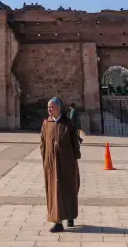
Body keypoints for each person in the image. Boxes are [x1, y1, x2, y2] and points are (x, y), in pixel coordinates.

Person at [40, 96, 81, 233]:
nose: (49, 109)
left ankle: (70, 215)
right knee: (53, 192)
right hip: (51, 165)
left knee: (69, 190)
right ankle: (57, 222)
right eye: (48, 107)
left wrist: (75, 158)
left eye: (51, 107)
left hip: (67, 164)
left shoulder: (67, 123)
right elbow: (42, 143)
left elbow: (75, 142)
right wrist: (46, 158)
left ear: (58, 108)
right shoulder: (46, 123)